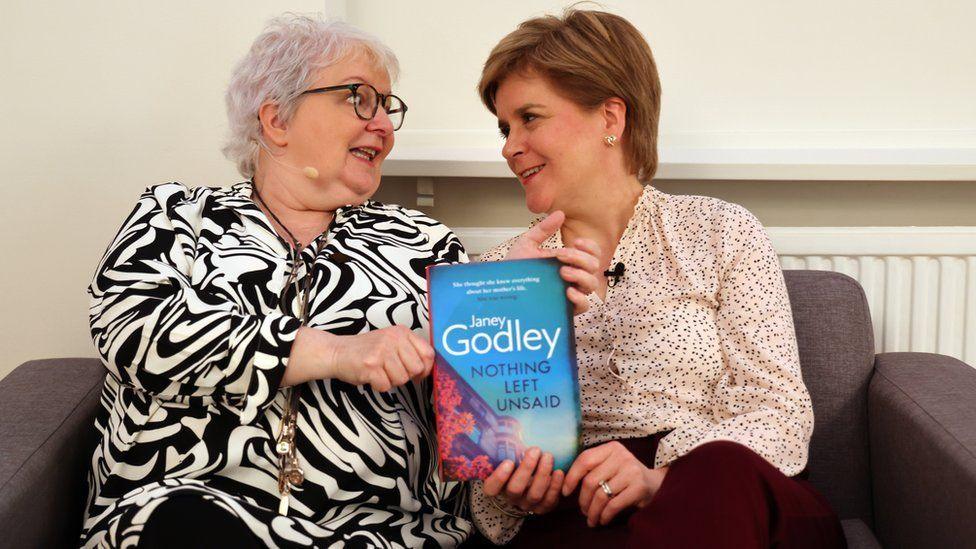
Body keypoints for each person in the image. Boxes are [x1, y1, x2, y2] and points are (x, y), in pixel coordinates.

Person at [81, 14, 599, 548]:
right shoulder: (177, 215)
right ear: (276, 119)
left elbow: (481, 409)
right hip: (192, 510)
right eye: (360, 99)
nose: (385, 127)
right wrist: (334, 353)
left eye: (388, 107)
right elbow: (130, 329)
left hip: (386, 534)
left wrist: (513, 297)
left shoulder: (424, 242)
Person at [466, 9, 846, 548]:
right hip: (589, 511)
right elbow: (491, 493)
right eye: (505, 128)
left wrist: (658, 476)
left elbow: (780, 415)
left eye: (530, 118)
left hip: (728, 491)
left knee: (719, 471)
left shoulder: (720, 231)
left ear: (611, 118)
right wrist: (515, 488)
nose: (509, 146)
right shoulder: (496, 278)